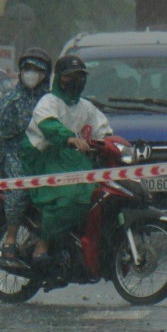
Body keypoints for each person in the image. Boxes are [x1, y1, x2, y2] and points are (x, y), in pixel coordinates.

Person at [18, 54, 109, 261]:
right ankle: (42, 242)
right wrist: (69, 139)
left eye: (79, 76)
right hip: (43, 159)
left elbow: (103, 129)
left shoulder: (85, 107)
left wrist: (111, 143)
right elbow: (49, 125)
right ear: (59, 78)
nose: (75, 81)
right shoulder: (49, 102)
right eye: (69, 76)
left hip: (73, 161)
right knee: (70, 197)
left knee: (98, 194)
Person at [0, 48, 52, 259]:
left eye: (36, 70)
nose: (31, 74)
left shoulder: (51, 102)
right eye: (27, 69)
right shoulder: (9, 102)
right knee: (20, 188)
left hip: (45, 157)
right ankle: (11, 236)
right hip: (16, 156)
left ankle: (45, 241)